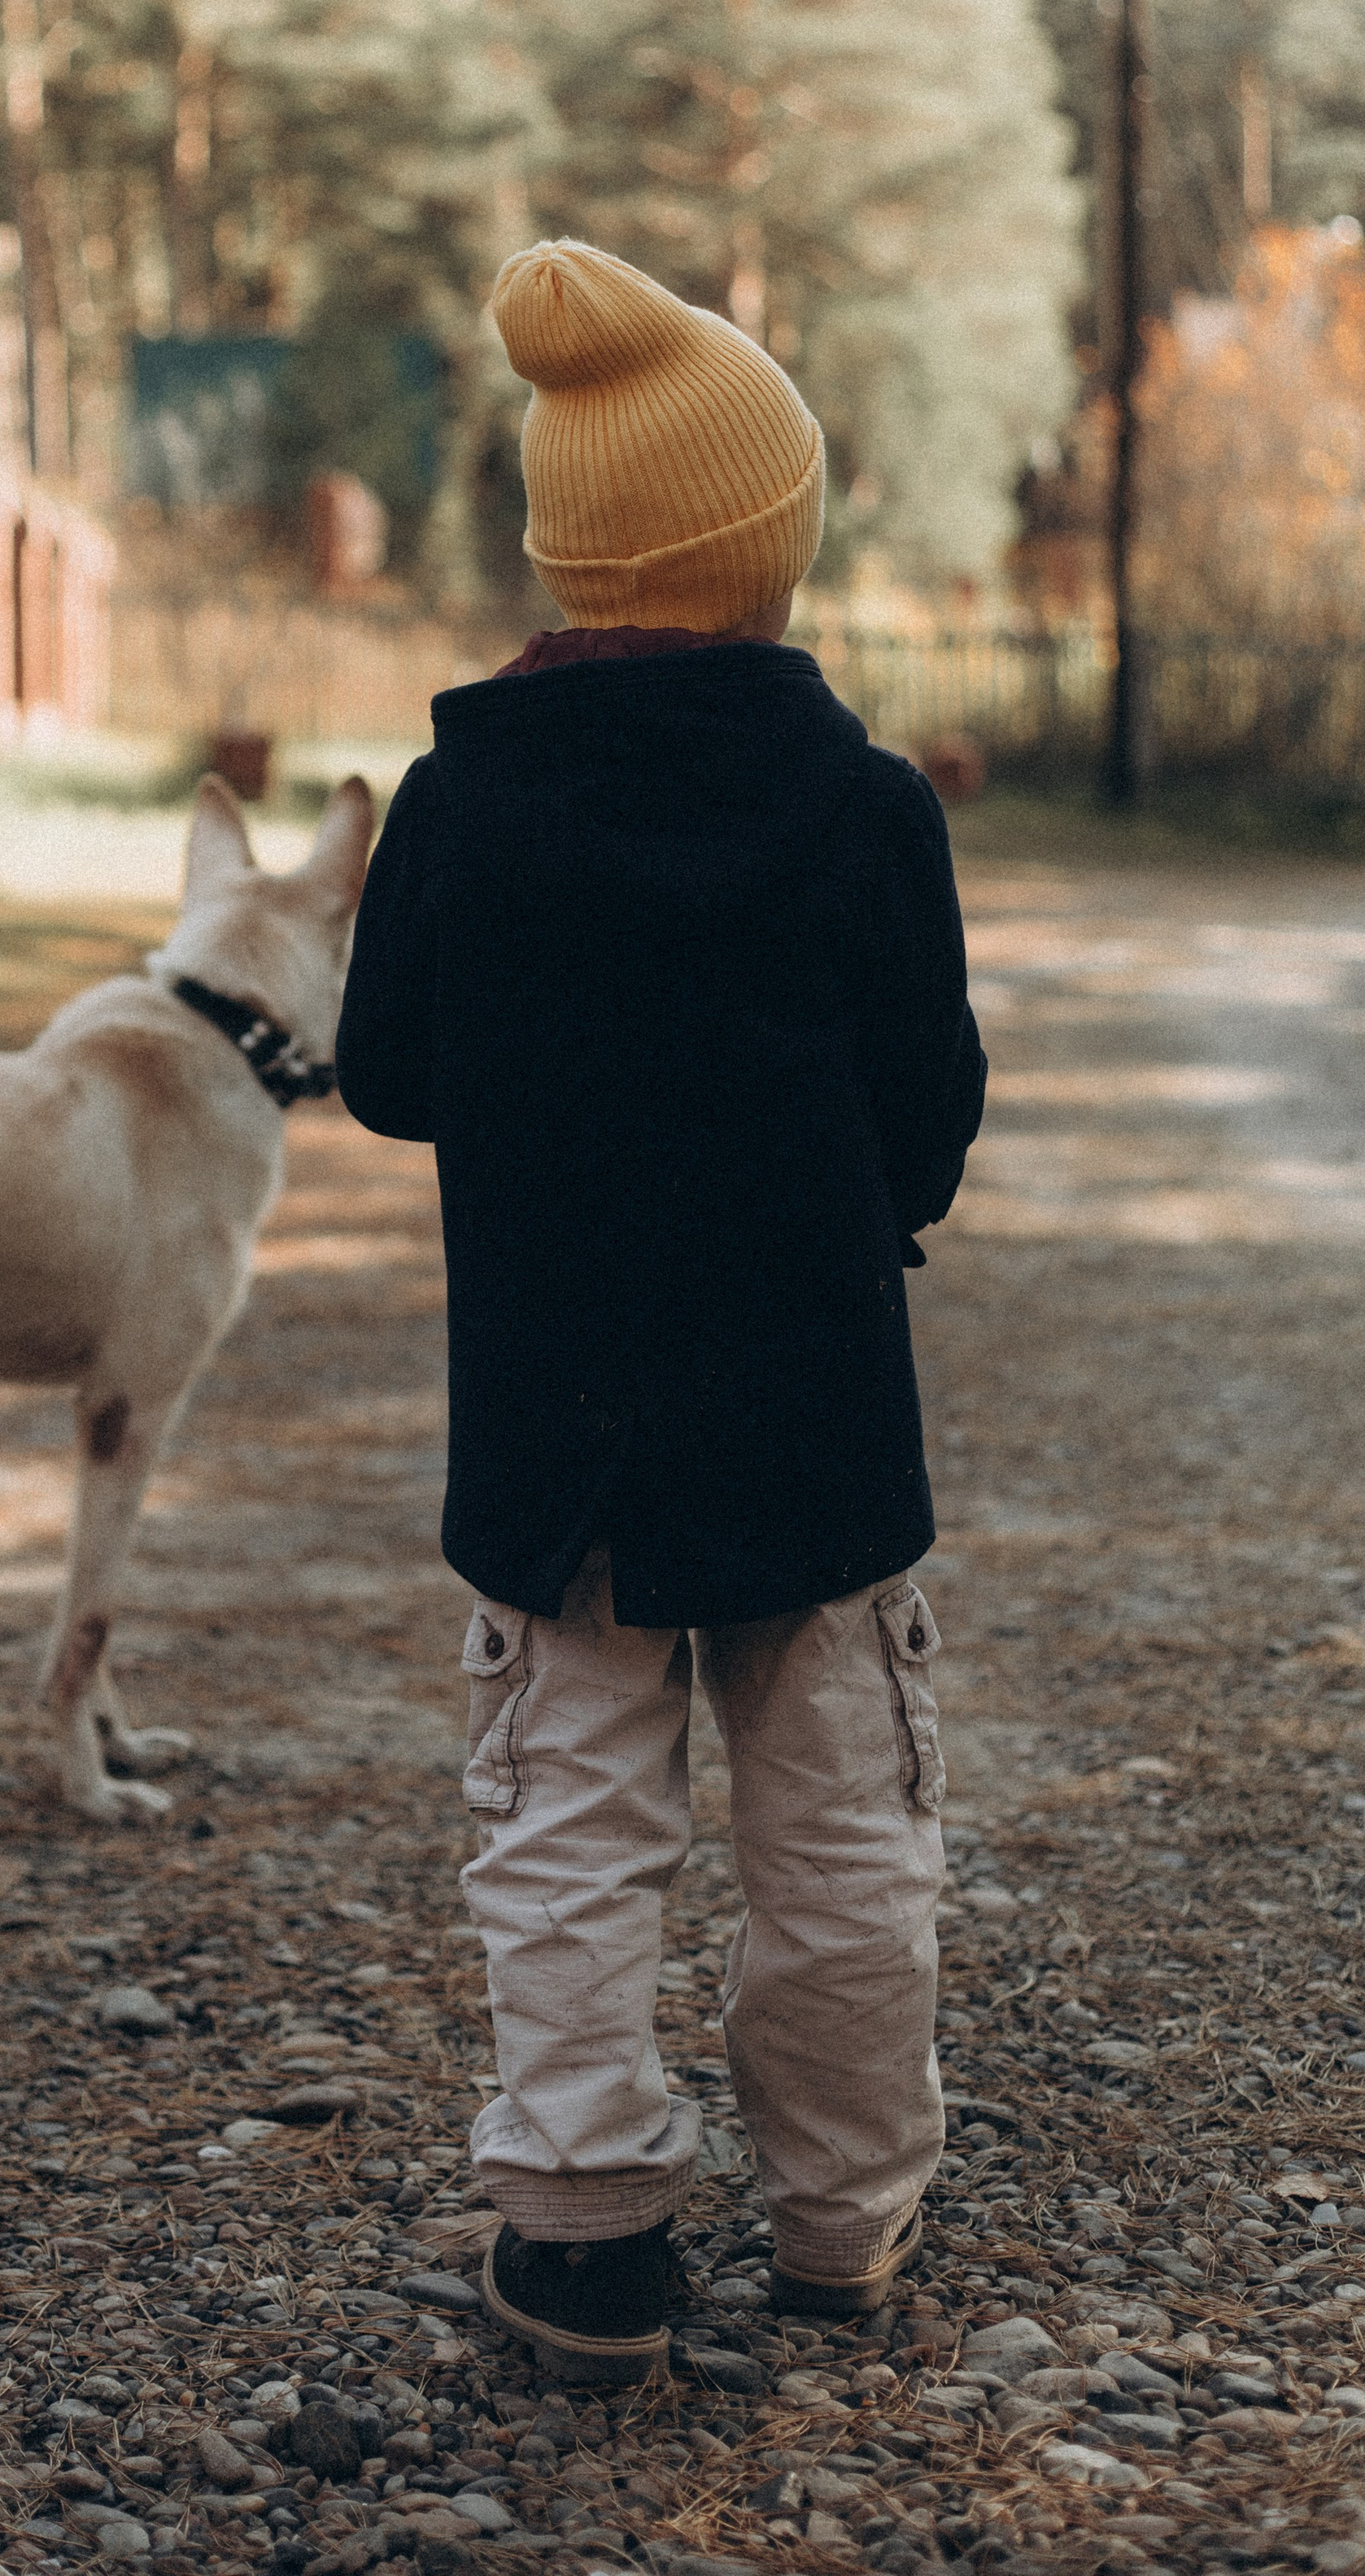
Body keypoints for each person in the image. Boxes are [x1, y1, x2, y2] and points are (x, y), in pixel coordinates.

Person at [334, 239, 986, 2386]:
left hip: (562, 1424)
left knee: (571, 1829)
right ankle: (842, 2226)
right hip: (810, 1424)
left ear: (574, 559)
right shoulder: (864, 810)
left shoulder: (460, 807)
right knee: (839, 1849)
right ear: (767, 552)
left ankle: (589, 2235)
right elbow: (928, 1114)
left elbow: (392, 1078)